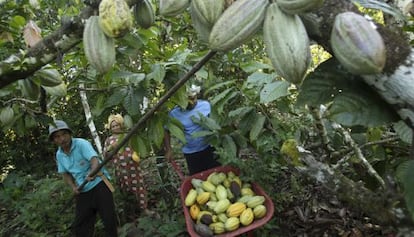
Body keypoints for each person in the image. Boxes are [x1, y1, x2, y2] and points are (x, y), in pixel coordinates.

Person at [48, 120, 118, 237]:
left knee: (109, 220)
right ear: (54, 140)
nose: (62, 139)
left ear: (69, 134)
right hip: (83, 190)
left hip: (99, 184)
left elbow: (94, 160)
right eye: (57, 137)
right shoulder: (59, 154)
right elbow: (65, 174)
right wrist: (73, 187)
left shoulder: (81, 144)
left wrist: (92, 172)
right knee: (81, 227)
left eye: (64, 134)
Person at [103, 114, 155, 220]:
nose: (115, 128)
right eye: (113, 126)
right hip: (120, 170)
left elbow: (137, 147)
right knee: (125, 190)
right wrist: (110, 148)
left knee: (139, 187)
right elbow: (105, 156)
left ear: (121, 125)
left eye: (117, 125)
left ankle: (144, 208)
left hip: (132, 167)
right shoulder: (109, 140)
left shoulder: (128, 135)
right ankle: (131, 212)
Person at [164, 84, 221, 175]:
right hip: (191, 152)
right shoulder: (174, 114)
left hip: (209, 147)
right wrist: (169, 149)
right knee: (198, 177)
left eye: (193, 98)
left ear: (196, 96)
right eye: (187, 100)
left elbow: (217, 122)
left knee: (216, 174)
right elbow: (166, 129)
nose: (191, 102)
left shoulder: (206, 105)